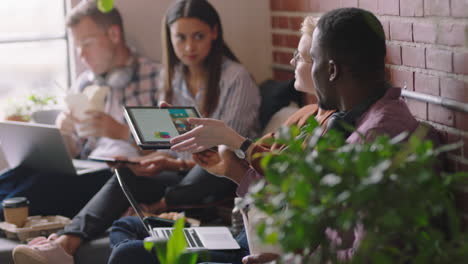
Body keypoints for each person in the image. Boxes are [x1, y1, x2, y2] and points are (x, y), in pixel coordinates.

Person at [170, 7, 432, 262]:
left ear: (331, 70)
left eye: (311, 58)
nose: (296, 64)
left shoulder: (374, 136)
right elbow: (302, 205)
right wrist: (233, 170)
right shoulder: (354, 120)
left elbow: (367, 253)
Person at [12, 0, 260, 263]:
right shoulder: (174, 79)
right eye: (181, 38)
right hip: (184, 172)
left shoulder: (236, 78)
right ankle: (65, 244)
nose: (189, 47)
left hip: (221, 174)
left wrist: (172, 163)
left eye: (198, 36)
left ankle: (156, 207)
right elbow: (175, 145)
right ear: (170, 38)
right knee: (126, 174)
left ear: (214, 32)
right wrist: (165, 162)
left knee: (200, 175)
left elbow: (226, 152)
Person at [105, 16, 336, 264]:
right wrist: (228, 167)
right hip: (243, 236)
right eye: (180, 38)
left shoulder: (333, 130)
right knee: (125, 226)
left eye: (299, 56)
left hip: (256, 250)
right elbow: (261, 177)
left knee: (127, 253)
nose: (292, 62)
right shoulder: (303, 115)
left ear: (325, 67)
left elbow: (283, 189)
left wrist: (234, 141)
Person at [0, 1, 161, 219]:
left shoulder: (155, 78)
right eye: (77, 46)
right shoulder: (84, 84)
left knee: (33, 190)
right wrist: (63, 134)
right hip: (87, 167)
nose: (81, 55)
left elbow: (172, 149)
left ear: (114, 35)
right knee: (13, 177)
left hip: (123, 175)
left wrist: (121, 132)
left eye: (87, 43)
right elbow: (74, 151)